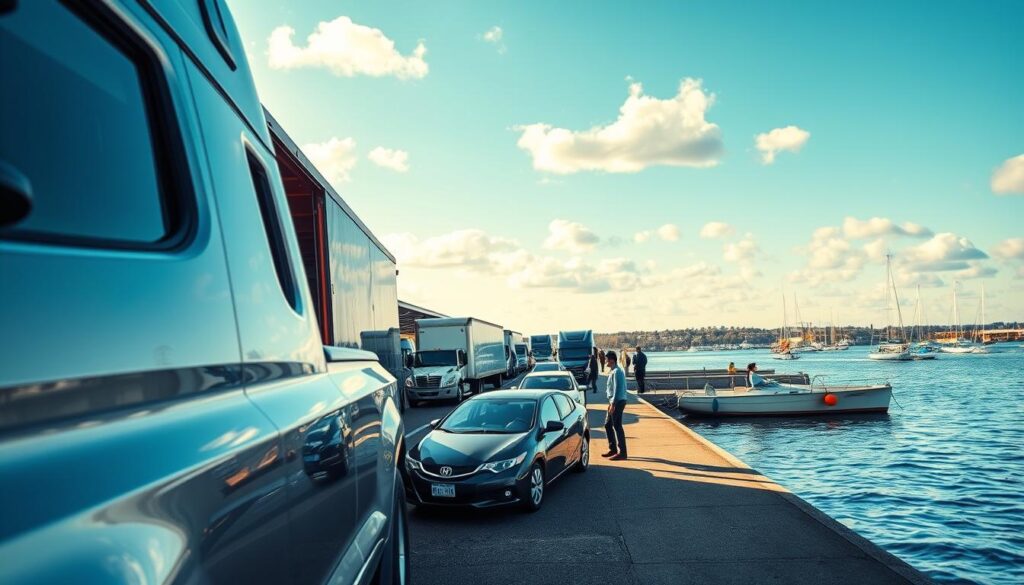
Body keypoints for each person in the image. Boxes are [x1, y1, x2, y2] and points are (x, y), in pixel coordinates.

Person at [602, 351, 628, 461]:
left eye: (607, 359)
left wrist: (613, 404)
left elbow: (617, 389)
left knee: (617, 426)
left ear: (612, 360)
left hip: (617, 402)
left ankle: (622, 453)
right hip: (614, 401)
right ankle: (613, 449)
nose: (605, 361)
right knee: (608, 425)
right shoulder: (613, 371)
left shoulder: (617, 372)